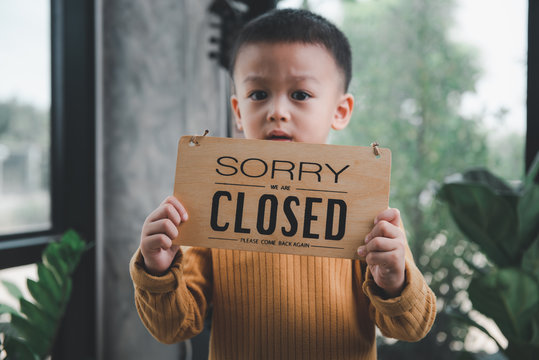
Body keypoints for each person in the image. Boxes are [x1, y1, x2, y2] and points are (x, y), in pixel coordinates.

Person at [130, 8, 436, 359]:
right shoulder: (211, 205)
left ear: (340, 111)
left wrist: (395, 281)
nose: (277, 110)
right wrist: (158, 269)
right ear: (238, 111)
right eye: (258, 94)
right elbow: (174, 328)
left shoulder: (364, 208)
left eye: (301, 95)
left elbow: (412, 327)